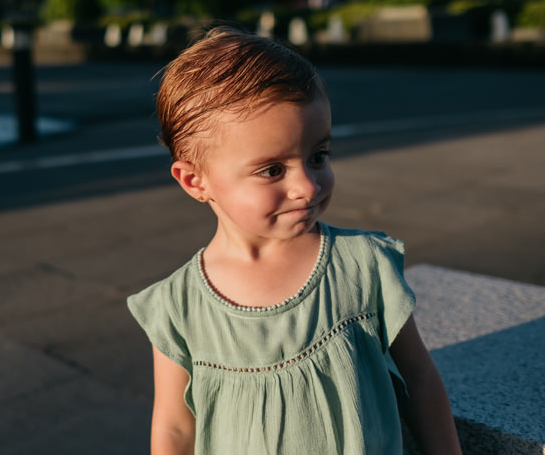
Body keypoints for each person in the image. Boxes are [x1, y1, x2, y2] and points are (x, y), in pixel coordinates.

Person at [127, 26, 461, 454]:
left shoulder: (362, 265)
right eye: (272, 170)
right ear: (195, 180)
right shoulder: (178, 306)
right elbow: (174, 427)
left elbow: (419, 377)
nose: (307, 185)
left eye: (318, 156)